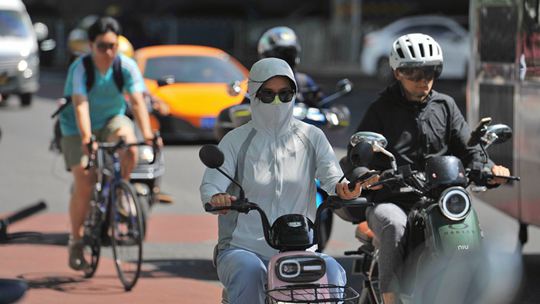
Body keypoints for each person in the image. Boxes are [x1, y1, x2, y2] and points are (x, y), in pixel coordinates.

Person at [355, 33, 511, 304]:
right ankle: (391, 298)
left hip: (439, 200)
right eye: (413, 72)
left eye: (430, 72)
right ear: (397, 72)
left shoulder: (445, 106)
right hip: (395, 199)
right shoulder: (380, 109)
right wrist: (368, 177)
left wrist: (489, 168)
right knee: (395, 226)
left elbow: (468, 148)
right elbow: (358, 155)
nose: (422, 80)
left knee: (470, 225)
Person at [200, 58, 362, 304]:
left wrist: (345, 189)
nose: (277, 102)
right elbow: (212, 182)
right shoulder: (236, 140)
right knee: (250, 272)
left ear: (294, 95)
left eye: (285, 94)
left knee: (333, 273)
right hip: (242, 249)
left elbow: (333, 178)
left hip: (300, 249)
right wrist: (216, 198)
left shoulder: (312, 136)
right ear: (253, 94)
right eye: (268, 94)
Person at [59, 16, 158, 271]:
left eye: (113, 45)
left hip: (112, 119)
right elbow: (80, 104)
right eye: (102, 46)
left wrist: (148, 135)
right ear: (91, 45)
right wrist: (86, 139)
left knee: (130, 145)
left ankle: (120, 190)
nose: (109, 51)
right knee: (85, 179)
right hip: (76, 127)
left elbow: (136, 101)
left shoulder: (125, 66)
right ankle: (77, 240)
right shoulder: (80, 68)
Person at [257, 26, 324, 108]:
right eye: (279, 56)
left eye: (288, 55)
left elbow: (324, 105)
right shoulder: (254, 82)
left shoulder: (304, 82)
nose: (284, 62)